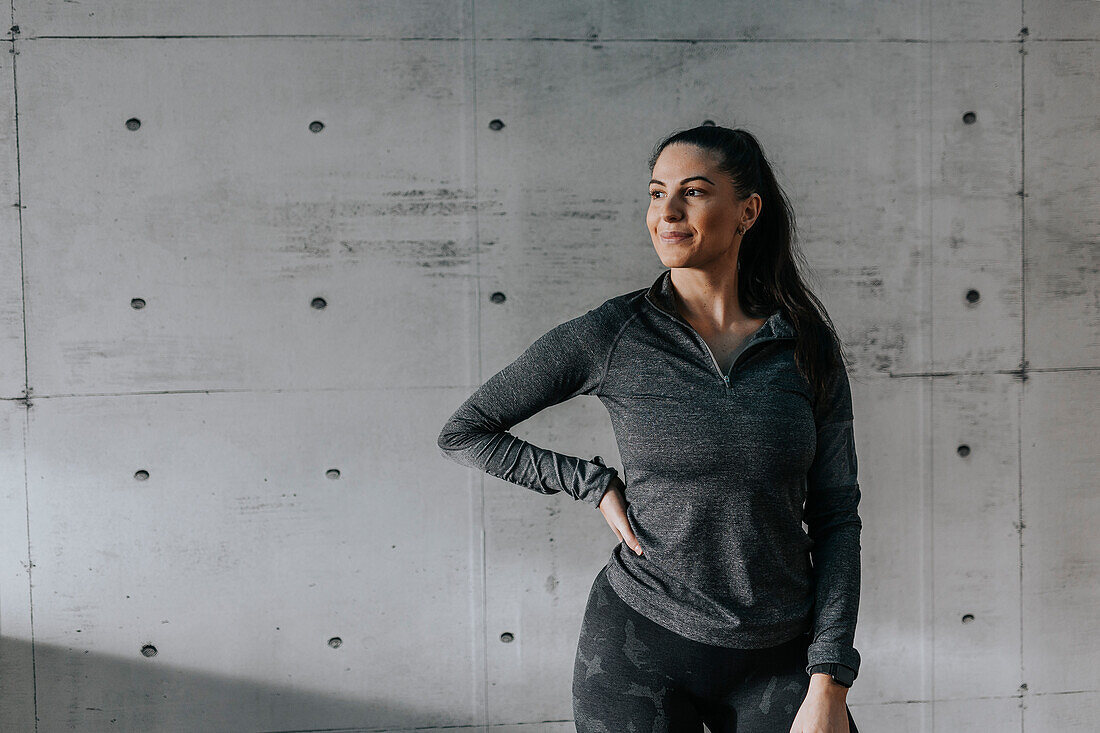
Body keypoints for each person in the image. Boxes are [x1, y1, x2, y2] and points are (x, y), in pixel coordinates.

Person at [437, 125, 862, 733]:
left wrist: (829, 679)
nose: (667, 212)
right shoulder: (615, 335)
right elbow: (466, 431)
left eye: (692, 192)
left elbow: (836, 517)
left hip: (780, 651)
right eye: (657, 193)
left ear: (747, 211)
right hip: (640, 646)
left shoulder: (805, 346)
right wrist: (590, 482)